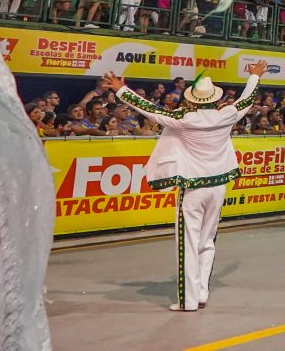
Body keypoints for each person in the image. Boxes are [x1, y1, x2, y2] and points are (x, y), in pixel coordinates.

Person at [102, 60, 267, 311]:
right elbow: (246, 99)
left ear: (192, 100)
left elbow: (150, 109)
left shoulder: (184, 119)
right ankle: (201, 293)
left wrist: (121, 89)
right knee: (207, 241)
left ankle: (188, 301)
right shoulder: (227, 114)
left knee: (188, 243)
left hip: (192, 189)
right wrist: (255, 76)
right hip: (218, 187)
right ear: (214, 99)